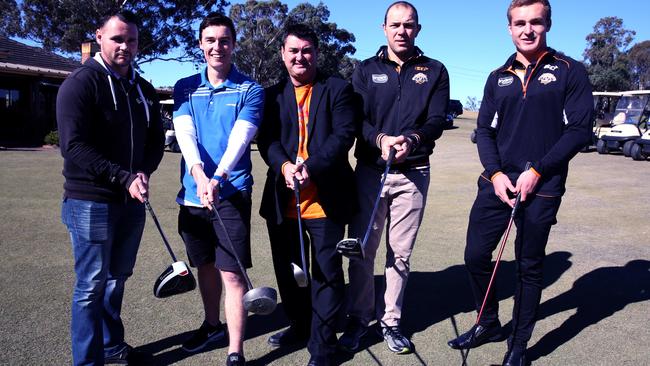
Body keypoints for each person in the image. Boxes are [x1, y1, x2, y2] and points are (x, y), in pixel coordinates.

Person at [446, 1, 593, 365]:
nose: (528, 30)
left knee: (528, 266)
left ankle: (518, 346)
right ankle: (488, 322)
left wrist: (538, 170)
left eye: (536, 22)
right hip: (496, 183)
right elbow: (484, 130)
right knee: (476, 255)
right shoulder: (498, 76)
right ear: (509, 28)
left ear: (548, 24)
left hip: (542, 186)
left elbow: (578, 130)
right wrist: (495, 174)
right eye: (519, 23)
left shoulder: (570, 71)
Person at [339, 1, 450, 355]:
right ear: (383, 28)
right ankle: (358, 318)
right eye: (395, 24)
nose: (402, 31)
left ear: (418, 29)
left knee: (399, 255)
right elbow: (357, 119)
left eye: (409, 25)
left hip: (414, 173)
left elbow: (436, 120)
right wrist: (381, 140)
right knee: (362, 250)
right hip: (371, 171)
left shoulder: (435, 70)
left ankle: (391, 321)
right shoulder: (365, 70)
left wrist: (412, 141)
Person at [57, 10, 164, 366]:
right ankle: (88, 361)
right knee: (90, 287)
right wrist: (124, 176)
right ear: (99, 37)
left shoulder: (142, 88)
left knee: (117, 280)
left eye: (131, 39)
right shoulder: (81, 82)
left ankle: (112, 346)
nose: (125, 46)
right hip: (90, 201)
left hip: (131, 202)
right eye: (117, 38)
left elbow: (155, 141)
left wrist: (144, 171)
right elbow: (74, 146)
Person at [257, 23, 358, 366]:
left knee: (326, 274)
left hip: (325, 201)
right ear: (283, 54)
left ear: (316, 53)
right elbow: (266, 141)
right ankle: (300, 326)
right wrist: (286, 167)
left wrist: (308, 168)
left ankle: (323, 346)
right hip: (283, 202)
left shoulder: (338, 89)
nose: (300, 56)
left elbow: (343, 137)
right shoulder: (270, 96)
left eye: (307, 50)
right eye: (293, 50)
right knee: (290, 272)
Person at [171, 13, 263, 366]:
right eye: (210, 40)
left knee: (231, 273)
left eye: (224, 40)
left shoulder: (249, 89)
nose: (217, 47)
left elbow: (241, 138)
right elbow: (185, 134)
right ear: (200, 44)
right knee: (205, 266)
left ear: (233, 44)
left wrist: (217, 177)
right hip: (193, 195)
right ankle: (212, 325)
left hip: (231, 194)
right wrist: (197, 173)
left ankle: (235, 350)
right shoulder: (184, 87)